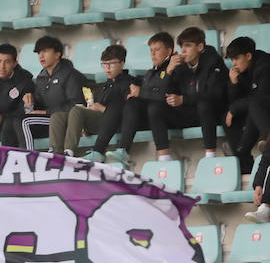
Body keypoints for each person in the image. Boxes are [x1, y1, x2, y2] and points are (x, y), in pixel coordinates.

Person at [148, 27, 227, 164]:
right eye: (182, 46)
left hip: (212, 113)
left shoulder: (213, 62)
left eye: (188, 46)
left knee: (204, 104)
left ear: (200, 47)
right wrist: (169, 71)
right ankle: (164, 158)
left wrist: (183, 99)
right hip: (188, 114)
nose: (183, 51)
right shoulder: (179, 66)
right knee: (155, 108)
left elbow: (214, 94)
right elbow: (159, 94)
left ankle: (210, 155)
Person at [107, 32, 176, 166]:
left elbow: (163, 94)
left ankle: (163, 157)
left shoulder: (175, 67)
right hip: (151, 117)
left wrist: (142, 92)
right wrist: (138, 94)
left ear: (169, 51)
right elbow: (150, 93)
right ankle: (122, 150)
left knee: (152, 107)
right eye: (151, 50)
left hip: (171, 114)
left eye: (157, 49)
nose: (153, 54)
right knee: (131, 102)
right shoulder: (150, 73)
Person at [63, 45, 134, 160]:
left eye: (111, 64)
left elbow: (127, 111)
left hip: (116, 124)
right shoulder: (104, 85)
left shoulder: (129, 83)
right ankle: (57, 153)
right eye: (104, 64)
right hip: (99, 123)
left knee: (77, 111)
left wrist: (101, 109)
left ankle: (68, 153)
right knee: (59, 115)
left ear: (122, 63)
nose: (107, 68)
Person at [24, 35, 86, 151]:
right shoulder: (41, 77)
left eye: (45, 51)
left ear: (58, 54)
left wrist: (46, 112)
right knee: (12, 121)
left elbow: (76, 105)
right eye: (38, 53)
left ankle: (28, 157)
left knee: (23, 122)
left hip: (65, 121)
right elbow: (38, 104)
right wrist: (29, 102)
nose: (41, 56)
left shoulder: (71, 75)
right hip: (46, 121)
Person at [225, 36, 270, 175]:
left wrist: (235, 108)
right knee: (227, 118)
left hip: (265, 105)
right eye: (231, 60)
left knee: (254, 104)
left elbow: (262, 96)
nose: (234, 63)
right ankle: (243, 156)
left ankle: (266, 136)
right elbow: (236, 99)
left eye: (236, 59)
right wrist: (234, 84)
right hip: (257, 110)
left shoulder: (265, 65)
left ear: (248, 56)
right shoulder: (242, 71)